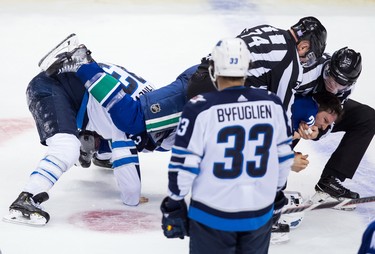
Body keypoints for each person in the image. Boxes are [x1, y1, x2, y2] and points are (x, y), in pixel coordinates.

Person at [4, 34, 197, 225]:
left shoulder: (154, 105)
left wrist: (104, 155)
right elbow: (130, 193)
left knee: (97, 138)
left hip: (66, 85)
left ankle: (81, 63)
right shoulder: (134, 123)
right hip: (52, 85)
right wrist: (134, 196)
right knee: (67, 147)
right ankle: (26, 199)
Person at [160, 38, 294, 253]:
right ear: (247, 68)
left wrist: (174, 202)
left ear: (214, 70)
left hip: (211, 215)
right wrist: (276, 194)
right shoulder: (273, 104)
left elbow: (184, 164)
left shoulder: (200, 108)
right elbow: (284, 158)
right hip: (258, 214)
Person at [187, 16, 327, 121]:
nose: (305, 61)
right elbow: (280, 118)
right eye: (310, 56)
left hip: (199, 75)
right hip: (213, 96)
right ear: (303, 47)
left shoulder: (266, 29)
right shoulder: (291, 62)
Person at [295, 47, 375, 203]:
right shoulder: (307, 72)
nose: (333, 87)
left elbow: (334, 115)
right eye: (330, 79)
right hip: (294, 111)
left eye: (340, 85)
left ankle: (330, 180)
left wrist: (318, 132)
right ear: (327, 68)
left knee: (367, 117)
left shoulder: (345, 89)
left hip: (320, 112)